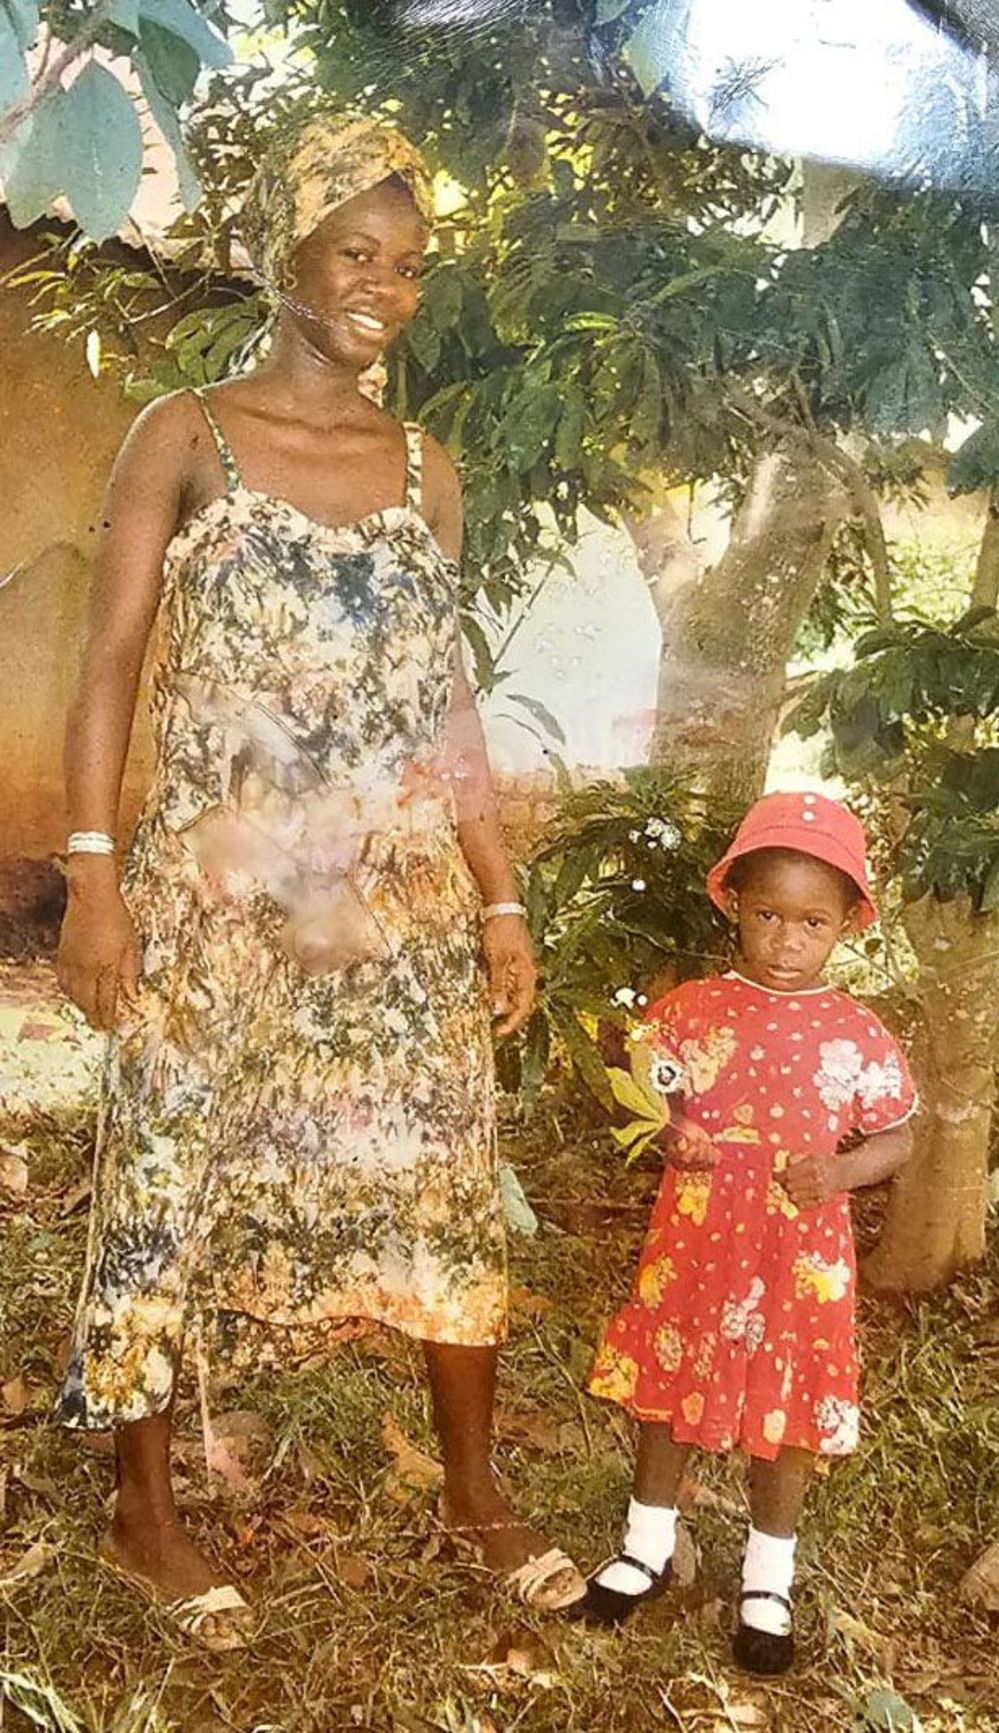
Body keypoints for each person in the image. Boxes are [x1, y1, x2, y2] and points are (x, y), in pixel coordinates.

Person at [55, 110, 584, 1650]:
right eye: (355, 253)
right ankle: (144, 1509)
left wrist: (497, 892)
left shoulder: (428, 465)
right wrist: (96, 880)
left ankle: (473, 1491)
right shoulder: (186, 432)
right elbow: (108, 669)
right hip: (212, 901)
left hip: (395, 901)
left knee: (439, 1166)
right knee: (163, 1172)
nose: (382, 288)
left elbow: (447, 701)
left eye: (408, 267)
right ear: (285, 251)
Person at [579, 792, 917, 1675]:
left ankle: (769, 1575)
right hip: (697, 1234)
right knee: (669, 1379)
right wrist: (671, 1131)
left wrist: (839, 1172)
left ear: (848, 923)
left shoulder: (857, 1032)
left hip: (799, 1251)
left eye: (812, 921)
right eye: (767, 914)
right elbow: (643, 1090)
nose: (786, 939)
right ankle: (645, 1541)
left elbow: (899, 1136)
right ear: (733, 902)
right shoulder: (690, 1010)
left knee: (789, 1406)